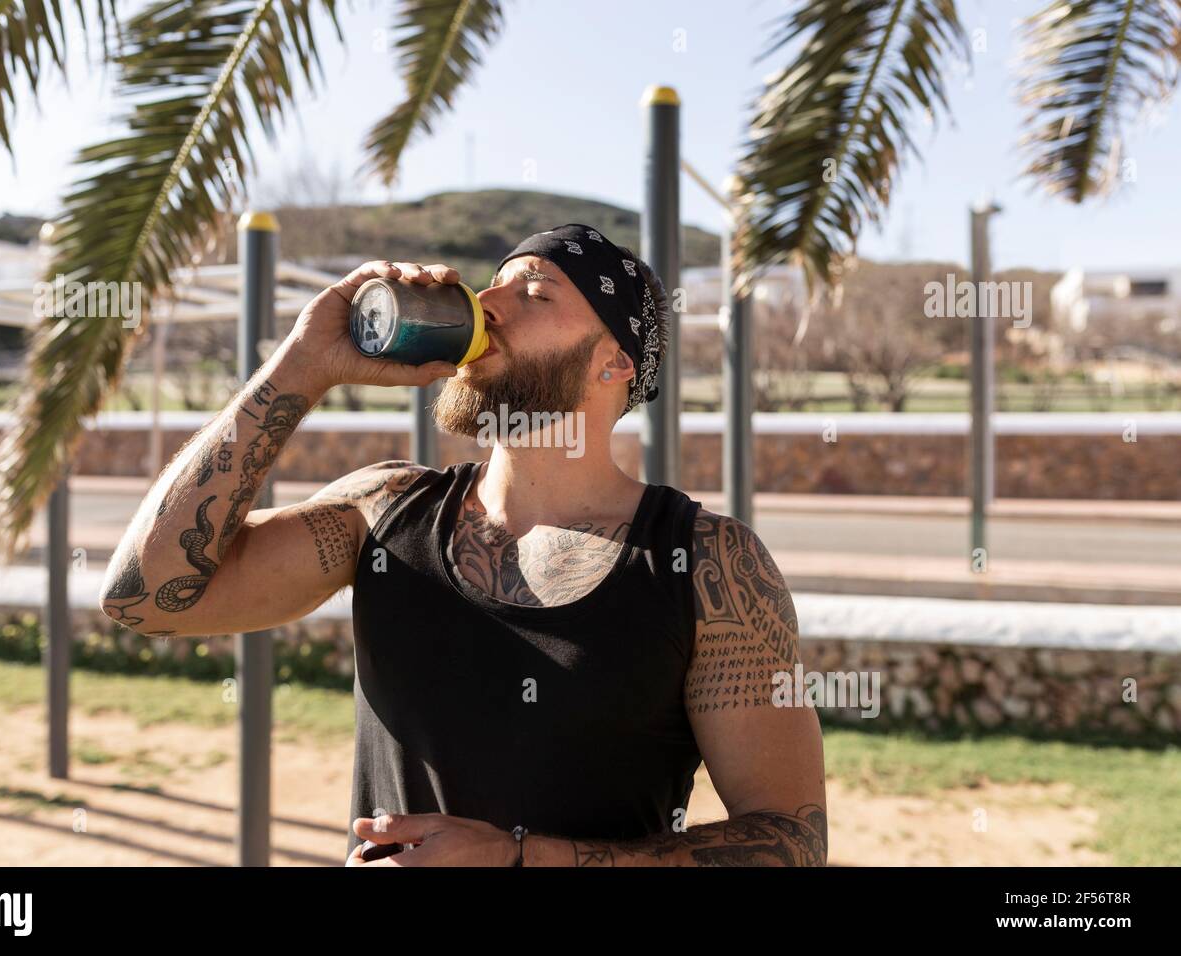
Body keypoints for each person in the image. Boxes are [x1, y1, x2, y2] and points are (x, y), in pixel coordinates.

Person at [100, 223, 827, 867]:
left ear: (614, 363)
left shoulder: (704, 562)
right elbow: (144, 595)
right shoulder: (384, 510)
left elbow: (790, 841)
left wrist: (518, 859)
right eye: (494, 285)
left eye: (534, 293)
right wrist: (301, 364)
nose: (488, 306)